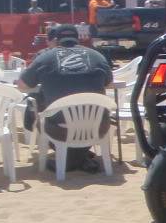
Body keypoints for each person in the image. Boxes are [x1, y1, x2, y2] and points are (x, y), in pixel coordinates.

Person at [16, 24, 113, 173]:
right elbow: (109, 83)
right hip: (98, 127)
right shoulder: (97, 56)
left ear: (56, 39)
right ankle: (80, 157)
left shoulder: (45, 57)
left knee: (40, 121)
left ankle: (73, 159)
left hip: (61, 130)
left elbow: (22, 85)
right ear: (78, 38)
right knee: (85, 117)